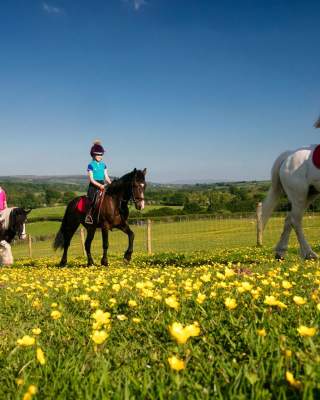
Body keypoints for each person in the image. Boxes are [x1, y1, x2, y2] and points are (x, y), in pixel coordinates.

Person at [85, 140, 112, 224]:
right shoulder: (90, 165)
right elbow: (91, 180)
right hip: (94, 185)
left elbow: (106, 177)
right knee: (93, 199)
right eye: (98, 154)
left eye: (101, 154)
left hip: (103, 184)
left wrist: (111, 184)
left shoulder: (103, 165)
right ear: (93, 155)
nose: (100, 156)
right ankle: (88, 215)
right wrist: (100, 186)